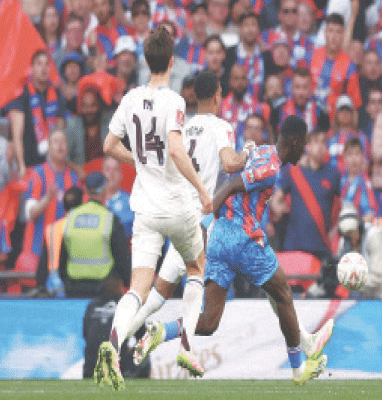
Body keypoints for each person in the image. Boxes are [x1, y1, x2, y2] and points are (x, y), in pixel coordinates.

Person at [136, 115, 332, 385]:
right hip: (243, 239)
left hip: (219, 239)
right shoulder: (271, 168)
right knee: (284, 294)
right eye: (304, 144)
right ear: (296, 141)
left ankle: (163, 330)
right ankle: (299, 367)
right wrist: (203, 217)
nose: (305, 150)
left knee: (208, 321)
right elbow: (229, 185)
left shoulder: (262, 151)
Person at [95, 25, 213, 390]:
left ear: (146, 61)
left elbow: (108, 145)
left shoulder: (130, 98)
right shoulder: (174, 101)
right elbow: (176, 150)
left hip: (144, 209)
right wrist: (201, 189)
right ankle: (188, 346)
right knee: (197, 267)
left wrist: (141, 162)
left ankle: (113, 344)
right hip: (176, 207)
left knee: (137, 289)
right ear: (172, 60)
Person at [123, 71, 244, 343]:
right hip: (199, 224)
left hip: (175, 214)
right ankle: (182, 351)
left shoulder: (182, 129)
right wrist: (247, 152)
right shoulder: (222, 127)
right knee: (202, 299)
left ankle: (118, 340)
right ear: (217, 95)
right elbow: (230, 164)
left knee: (157, 295)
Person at [38, 172, 130, 298]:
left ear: (86, 191)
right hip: (103, 288)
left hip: (74, 288)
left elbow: (63, 255)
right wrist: (126, 280)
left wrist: (67, 282)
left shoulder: (71, 217)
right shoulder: (110, 219)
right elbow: (121, 257)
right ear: (104, 190)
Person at [16, 128, 79, 290]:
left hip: (64, 254)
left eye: (63, 142)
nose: (60, 146)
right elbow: (29, 214)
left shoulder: (73, 177)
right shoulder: (38, 173)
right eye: (55, 142)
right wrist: (48, 197)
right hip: (37, 253)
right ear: (49, 148)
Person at [273, 129, 340, 263]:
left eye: (323, 143)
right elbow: (275, 199)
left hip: (321, 244)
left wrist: (335, 229)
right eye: (316, 142)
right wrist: (280, 210)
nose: (320, 147)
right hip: (295, 243)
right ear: (307, 146)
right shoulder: (293, 170)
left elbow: (338, 206)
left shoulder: (334, 174)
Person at [7, 49, 67, 178]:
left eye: (47, 64)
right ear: (32, 68)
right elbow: (17, 135)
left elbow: (60, 131)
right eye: (39, 64)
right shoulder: (21, 93)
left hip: (51, 163)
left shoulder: (57, 93)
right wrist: (21, 166)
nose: (43, 68)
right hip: (28, 162)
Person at [83, 274, 151, 380]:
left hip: (91, 363)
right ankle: (130, 380)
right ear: (121, 289)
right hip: (117, 362)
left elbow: (86, 334)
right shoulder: (127, 306)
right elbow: (144, 337)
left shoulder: (92, 305)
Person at [337, 202, 382, 299]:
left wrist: (347, 282)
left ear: (360, 226)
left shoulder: (375, 237)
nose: (351, 237)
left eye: (353, 232)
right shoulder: (344, 243)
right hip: (371, 298)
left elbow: (376, 279)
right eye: (347, 235)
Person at [103, 157, 133, 241]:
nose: (111, 174)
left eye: (115, 170)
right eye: (107, 169)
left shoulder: (130, 202)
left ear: (121, 175)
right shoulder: (93, 201)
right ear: (102, 174)